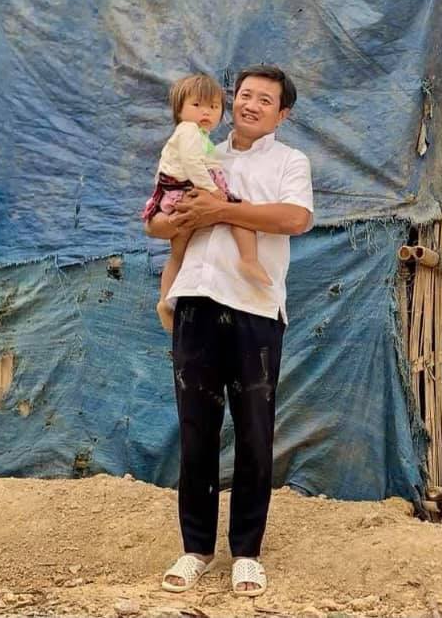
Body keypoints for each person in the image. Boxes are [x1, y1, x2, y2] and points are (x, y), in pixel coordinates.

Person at [145, 65, 313, 598]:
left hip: (255, 308)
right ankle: (196, 548)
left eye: (265, 99)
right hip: (195, 298)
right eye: (244, 94)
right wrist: (181, 221)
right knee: (195, 429)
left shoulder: (290, 161)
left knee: (254, 433)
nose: (251, 104)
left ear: (282, 114)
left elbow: (296, 219)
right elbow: (155, 220)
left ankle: (246, 553)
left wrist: (223, 209)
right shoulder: (200, 150)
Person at [142, 73, 272, 333]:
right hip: (186, 192)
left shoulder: (202, 137)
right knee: (237, 211)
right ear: (179, 110)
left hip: (186, 191)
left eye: (213, 107)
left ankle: (166, 301)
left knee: (180, 252)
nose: (206, 112)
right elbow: (192, 165)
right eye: (197, 105)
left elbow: (193, 163)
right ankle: (249, 259)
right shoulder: (188, 131)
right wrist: (213, 190)